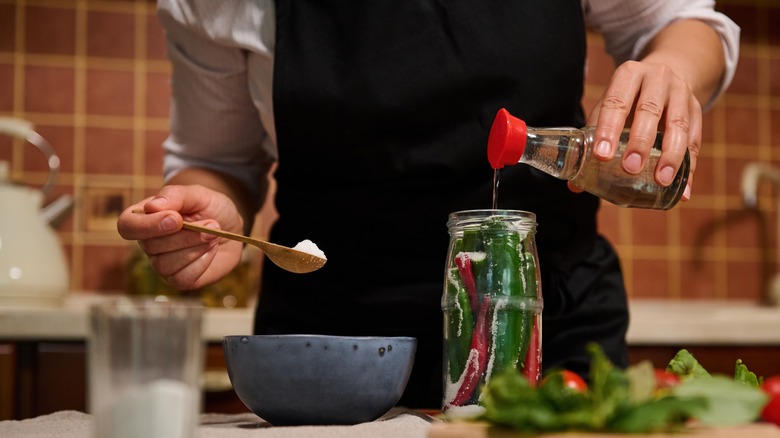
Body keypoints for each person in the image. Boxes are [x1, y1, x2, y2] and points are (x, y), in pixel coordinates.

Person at [118, 0, 739, 408]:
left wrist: (671, 68)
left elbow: (685, 24)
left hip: (545, 325)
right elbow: (221, 160)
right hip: (333, 351)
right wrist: (215, 204)